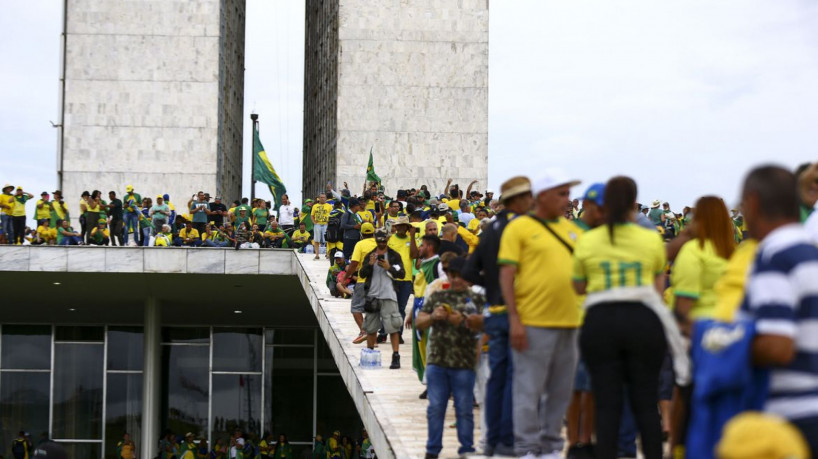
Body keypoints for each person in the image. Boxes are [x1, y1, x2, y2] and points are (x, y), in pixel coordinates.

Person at [572, 176, 672, 459]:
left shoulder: (589, 240)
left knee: (606, 403)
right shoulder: (651, 238)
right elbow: (657, 288)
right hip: (642, 320)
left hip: (601, 322)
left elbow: (579, 286)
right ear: (634, 202)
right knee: (644, 401)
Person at [498, 168, 584, 458]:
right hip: (533, 321)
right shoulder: (519, 228)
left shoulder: (573, 230)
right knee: (528, 390)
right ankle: (526, 448)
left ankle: (550, 447)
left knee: (561, 390)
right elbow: (507, 274)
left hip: (571, 321)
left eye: (568, 194)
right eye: (561, 194)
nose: (567, 200)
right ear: (542, 197)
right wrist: (514, 318)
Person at [737, 165, 818, 456]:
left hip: (788, 419)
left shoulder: (775, 257)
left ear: (754, 202)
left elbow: (777, 346)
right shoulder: (809, 253)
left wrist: (722, 342)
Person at [463, 175, 533, 457]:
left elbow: (469, 272)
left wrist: (491, 284)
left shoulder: (491, 229)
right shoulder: (524, 228)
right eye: (527, 196)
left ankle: (492, 440)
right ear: (517, 199)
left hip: (495, 309)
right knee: (517, 378)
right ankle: (507, 439)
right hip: (521, 311)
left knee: (497, 377)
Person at [416, 256, 485, 458]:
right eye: (452, 275)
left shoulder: (477, 298)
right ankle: (432, 450)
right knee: (436, 408)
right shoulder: (438, 297)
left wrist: (464, 320)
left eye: (460, 276)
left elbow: (487, 323)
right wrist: (432, 316)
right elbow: (420, 322)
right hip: (438, 362)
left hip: (464, 362)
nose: (456, 280)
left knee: (464, 408)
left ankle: (466, 448)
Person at [565, 182, 606, 459]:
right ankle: (574, 441)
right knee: (574, 387)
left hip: (600, 317)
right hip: (573, 316)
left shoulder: (609, 235)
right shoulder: (573, 234)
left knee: (590, 388)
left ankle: (586, 438)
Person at [358, 227, 406, 369]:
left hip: (389, 295)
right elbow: (362, 273)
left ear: (388, 239)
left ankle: (395, 356)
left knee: (393, 327)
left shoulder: (394, 256)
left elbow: (401, 273)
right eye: (379, 240)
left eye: (384, 240)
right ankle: (370, 354)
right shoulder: (370, 255)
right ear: (375, 238)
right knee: (371, 327)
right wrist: (370, 264)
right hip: (372, 296)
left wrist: (389, 267)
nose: (382, 243)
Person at [384, 216, 418, 342]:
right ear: (396, 227)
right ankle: (384, 331)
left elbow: (414, 255)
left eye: (405, 226)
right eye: (400, 226)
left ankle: (398, 334)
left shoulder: (411, 240)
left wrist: (413, 236)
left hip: (406, 278)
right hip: (390, 277)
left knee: (401, 308)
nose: (402, 228)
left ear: (408, 228)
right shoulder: (390, 239)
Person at [344, 222, 377, 344]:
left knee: (356, 308)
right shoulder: (380, 243)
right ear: (373, 232)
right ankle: (373, 337)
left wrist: (345, 278)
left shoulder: (360, 244)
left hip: (364, 281)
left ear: (361, 234)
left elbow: (354, 263)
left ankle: (364, 332)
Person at [311, 193, 333, 259]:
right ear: (319, 198)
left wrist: (329, 223)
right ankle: (317, 255)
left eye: (323, 197)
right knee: (316, 240)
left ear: (326, 198)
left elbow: (332, 215)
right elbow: (312, 215)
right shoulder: (315, 206)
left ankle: (328, 254)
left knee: (327, 240)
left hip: (326, 224)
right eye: (321, 197)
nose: (322, 198)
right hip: (317, 224)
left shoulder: (329, 206)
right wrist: (314, 222)